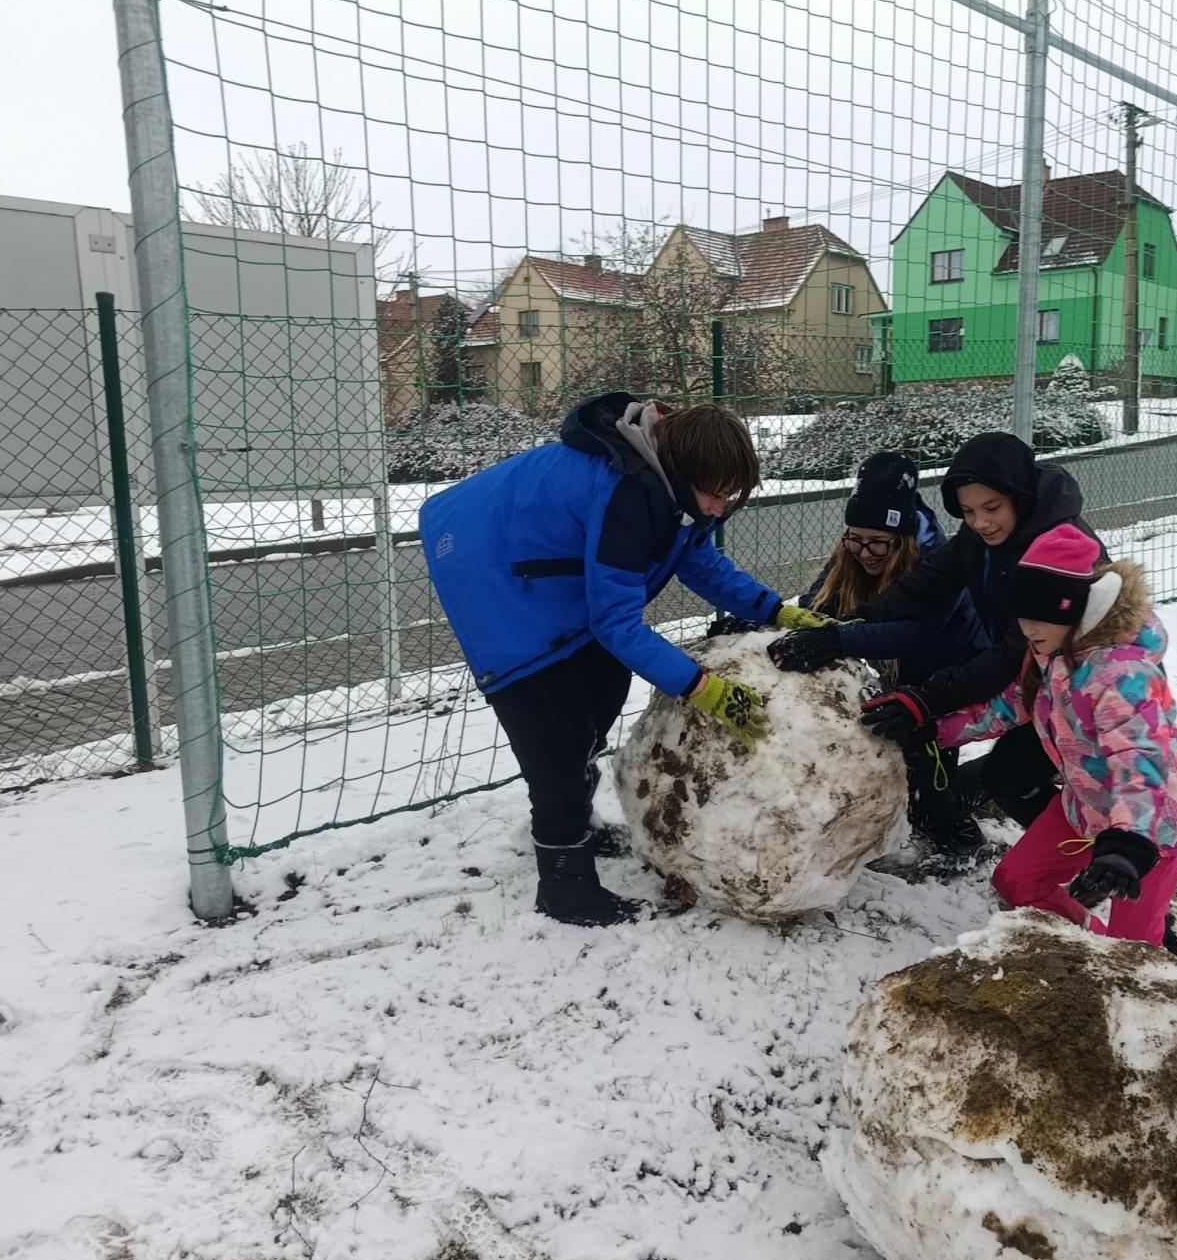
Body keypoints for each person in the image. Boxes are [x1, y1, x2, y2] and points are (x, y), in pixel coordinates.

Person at [419, 392, 833, 928]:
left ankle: (575, 821)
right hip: (493, 574)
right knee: (555, 731)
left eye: (730, 497)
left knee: (603, 687)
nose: (718, 508)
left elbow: (698, 560)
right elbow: (617, 624)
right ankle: (565, 883)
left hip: (549, 570)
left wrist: (775, 610)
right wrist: (703, 688)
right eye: (714, 495)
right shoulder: (627, 493)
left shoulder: (674, 484)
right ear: (684, 473)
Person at [870, 523, 1177, 941]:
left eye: (1041, 618)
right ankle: (1093, 941)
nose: (1029, 629)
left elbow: (1141, 759)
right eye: (1022, 618)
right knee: (1018, 883)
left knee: (1136, 945)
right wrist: (933, 731)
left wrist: (1129, 843)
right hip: (1082, 808)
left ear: (1073, 610)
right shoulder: (1049, 655)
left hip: (1147, 832)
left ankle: (1143, 963)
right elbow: (1007, 705)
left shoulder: (1121, 675)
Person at [838, 432, 1107, 829]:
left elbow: (1013, 652)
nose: (980, 522)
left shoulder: (1059, 552)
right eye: (967, 511)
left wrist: (927, 701)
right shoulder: (981, 537)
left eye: (991, 507)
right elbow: (929, 582)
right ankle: (1073, 844)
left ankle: (1098, 847)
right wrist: (860, 619)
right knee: (1004, 778)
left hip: (1085, 690)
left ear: (1018, 493)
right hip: (1034, 682)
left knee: (1018, 778)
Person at [766, 452, 989, 867]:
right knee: (899, 768)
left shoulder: (937, 559)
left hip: (951, 675)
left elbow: (919, 635)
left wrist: (839, 640)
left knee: (926, 783)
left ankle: (962, 841)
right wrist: (763, 623)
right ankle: (966, 790)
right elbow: (817, 604)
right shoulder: (854, 549)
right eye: (854, 539)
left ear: (901, 539)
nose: (863, 552)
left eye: (876, 543)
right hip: (899, 675)